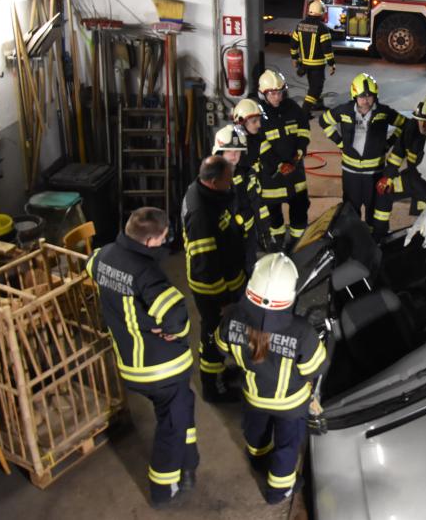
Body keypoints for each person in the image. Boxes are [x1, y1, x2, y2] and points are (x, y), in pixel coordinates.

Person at [86, 207, 197, 508]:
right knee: (171, 426)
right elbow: (177, 318)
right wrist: (169, 330)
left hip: (129, 364)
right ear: (150, 242)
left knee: (182, 408)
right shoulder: (147, 273)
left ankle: (189, 463)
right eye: (163, 238)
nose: (165, 242)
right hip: (161, 370)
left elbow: (89, 267)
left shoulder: (102, 256)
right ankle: (163, 489)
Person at [216, 253, 328, 505]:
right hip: (291, 405)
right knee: (287, 447)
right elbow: (315, 368)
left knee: (256, 432)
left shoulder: (231, 319)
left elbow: (222, 348)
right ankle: (279, 491)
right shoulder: (303, 332)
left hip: (253, 396)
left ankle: (258, 461)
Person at [182, 155, 243, 403]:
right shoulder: (201, 216)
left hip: (225, 281)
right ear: (214, 181)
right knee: (212, 336)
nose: (231, 182)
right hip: (213, 291)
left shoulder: (204, 192)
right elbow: (206, 268)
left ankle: (221, 371)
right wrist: (223, 301)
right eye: (228, 179)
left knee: (221, 331)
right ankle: (213, 388)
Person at [319, 73, 405, 240]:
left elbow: (404, 125)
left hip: (374, 174)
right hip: (351, 174)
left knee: (373, 211)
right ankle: (354, 242)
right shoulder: (344, 111)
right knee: (350, 211)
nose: (365, 100)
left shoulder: (383, 112)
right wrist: (339, 142)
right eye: (361, 97)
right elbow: (323, 121)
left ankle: (372, 241)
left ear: (375, 96)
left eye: (369, 96)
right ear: (354, 96)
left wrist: (389, 143)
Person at [256, 70, 311, 252]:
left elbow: (304, 130)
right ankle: (277, 243)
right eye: (272, 93)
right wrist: (279, 165)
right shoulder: (257, 114)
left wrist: (299, 153)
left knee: (299, 210)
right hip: (272, 176)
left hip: (295, 173)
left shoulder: (293, 108)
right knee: (274, 215)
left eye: (280, 92)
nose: (277, 97)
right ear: (262, 93)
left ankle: (297, 244)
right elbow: (260, 144)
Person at [378, 94, 426, 215]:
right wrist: (388, 177)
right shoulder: (411, 129)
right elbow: (397, 154)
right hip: (410, 179)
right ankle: (379, 226)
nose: (425, 127)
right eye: (423, 122)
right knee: (383, 192)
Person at [212, 124, 258, 275]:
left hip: (248, 237)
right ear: (220, 152)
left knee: (249, 270)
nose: (234, 155)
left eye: (237, 151)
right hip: (225, 238)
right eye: (229, 150)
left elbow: (256, 202)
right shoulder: (211, 180)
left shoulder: (247, 174)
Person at [232, 98, 273, 250]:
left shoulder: (258, 138)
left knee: (263, 214)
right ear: (241, 122)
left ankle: (266, 240)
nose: (259, 125)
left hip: (256, 189)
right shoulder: (232, 142)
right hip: (240, 193)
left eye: (259, 120)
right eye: (254, 121)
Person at [290, 0, 336, 115]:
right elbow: (327, 49)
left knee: (313, 84)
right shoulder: (322, 28)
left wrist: (294, 58)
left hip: (305, 64)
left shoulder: (300, 25)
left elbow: (294, 43)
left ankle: (317, 104)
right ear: (321, 13)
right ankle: (304, 113)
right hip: (317, 65)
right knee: (316, 88)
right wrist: (331, 64)